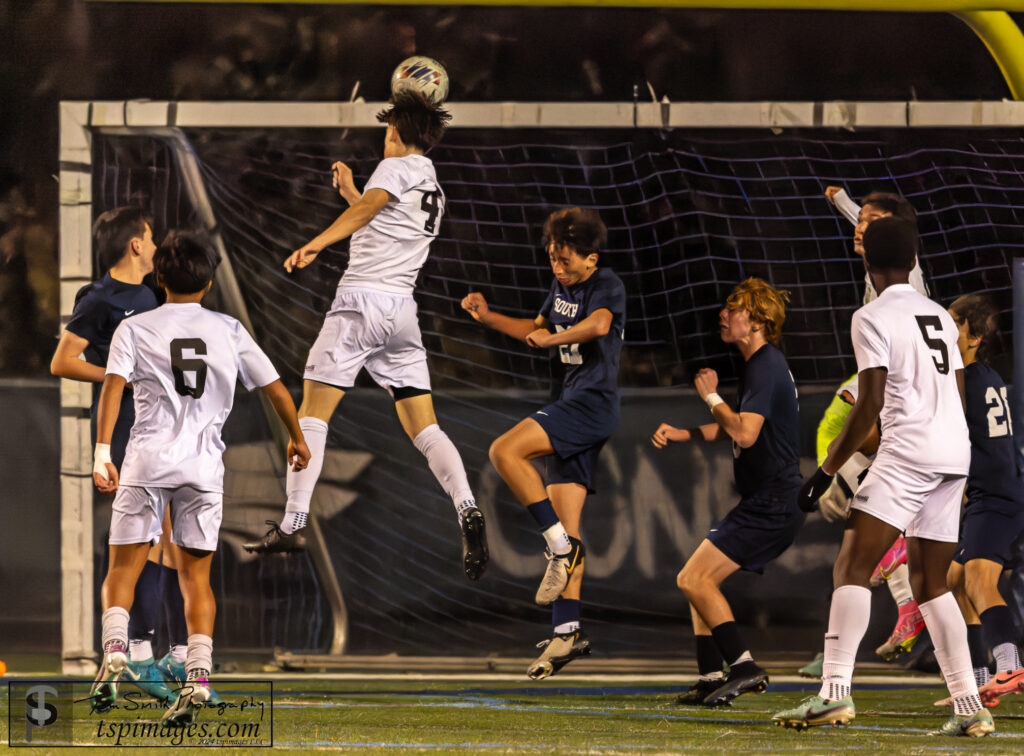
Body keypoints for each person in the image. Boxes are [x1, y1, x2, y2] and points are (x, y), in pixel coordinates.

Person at [244, 91, 488, 582]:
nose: (384, 137)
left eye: (387, 130)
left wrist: (315, 241)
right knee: (425, 428)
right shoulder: (433, 185)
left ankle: (293, 523)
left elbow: (373, 210)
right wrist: (353, 194)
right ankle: (466, 505)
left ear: (396, 133)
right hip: (401, 313)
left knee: (312, 414)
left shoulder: (393, 168)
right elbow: (383, 219)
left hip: (360, 303)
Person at [774, 216, 992, 737]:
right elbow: (957, 393)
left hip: (908, 452)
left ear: (867, 265)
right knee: (931, 584)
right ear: (915, 260)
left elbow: (869, 403)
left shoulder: (869, 315)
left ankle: (832, 694)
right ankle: (969, 706)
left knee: (851, 566)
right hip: (952, 452)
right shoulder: (941, 314)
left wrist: (825, 471)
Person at [88, 231, 310, 725]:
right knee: (196, 581)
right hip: (203, 469)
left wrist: (103, 451)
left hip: (146, 462)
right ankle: (199, 677)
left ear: (158, 277)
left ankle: (116, 652)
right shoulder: (229, 329)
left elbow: (111, 387)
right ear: (209, 283)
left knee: (122, 570)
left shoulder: (137, 327)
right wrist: (296, 437)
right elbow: (275, 388)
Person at [460, 207, 625, 679]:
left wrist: (552, 342)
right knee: (568, 524)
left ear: (591, 258)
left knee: (503, 451)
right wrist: (489, 317)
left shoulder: (606, 283)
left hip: (590, 404)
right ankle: (567, 633)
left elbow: (596, 326)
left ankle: (557, 547)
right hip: (571, 400)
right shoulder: (561, 287)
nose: (558, 267)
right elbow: (534, 329)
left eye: (566, 260)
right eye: (553, 258)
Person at [50, 206, 187, 704]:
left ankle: (164, 653)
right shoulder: (100, 298)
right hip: (127, 430)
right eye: (150, 239)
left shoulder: (152, 295)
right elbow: (62, 360)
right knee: (144, 542)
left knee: (170, 540)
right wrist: (118, 377)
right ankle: (138, 651)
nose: (154, 248)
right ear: (135, 244)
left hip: (162, 428)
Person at [798, 190, 931, 679]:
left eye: (872, 225)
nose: (861, 228)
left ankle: (868, 506)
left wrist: (828, 470)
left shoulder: (898, 289)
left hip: (900, 383)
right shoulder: (893, 269)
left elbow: (881, 227)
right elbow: (868, 223)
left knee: (846, 443)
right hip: (916, 398)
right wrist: (844, 203)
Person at [652, 278, 802, 707]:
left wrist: (710, 396)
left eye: (733, 309)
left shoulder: (765, 364)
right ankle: (710, 676)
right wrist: (686, 434)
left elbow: (746, 432)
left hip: (774, 501)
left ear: (756, 320)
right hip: (769, 500)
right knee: (700, 580)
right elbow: (739, 426)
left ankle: (744, 667)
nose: (724, 314)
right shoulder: (763, 363)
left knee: (692, 578)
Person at [943, 294, 1024, 708]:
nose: (944, 330)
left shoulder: (965, 380)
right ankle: (977, 678)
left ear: (973, 337)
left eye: (953, 323)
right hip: (996, 493)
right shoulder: (987, 376)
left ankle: (1008, 665)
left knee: (978, 581)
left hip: (994, 497)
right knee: (956, 581)